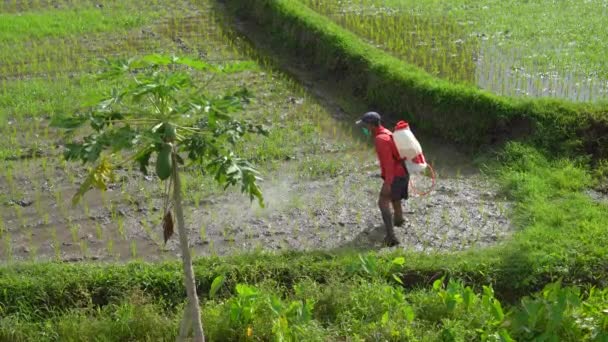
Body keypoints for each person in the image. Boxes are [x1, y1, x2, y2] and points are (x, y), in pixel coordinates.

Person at [356, 111, 409, 247]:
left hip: (395, 175)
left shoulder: (380, 140)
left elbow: (388, 164)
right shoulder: (386, 132)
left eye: (364, 126)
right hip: (402, 172)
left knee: (383, 202)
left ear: (371, 125)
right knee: (395, 198)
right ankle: (399, 219)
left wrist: (387, 183)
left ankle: (391, 237)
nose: (363, 128)